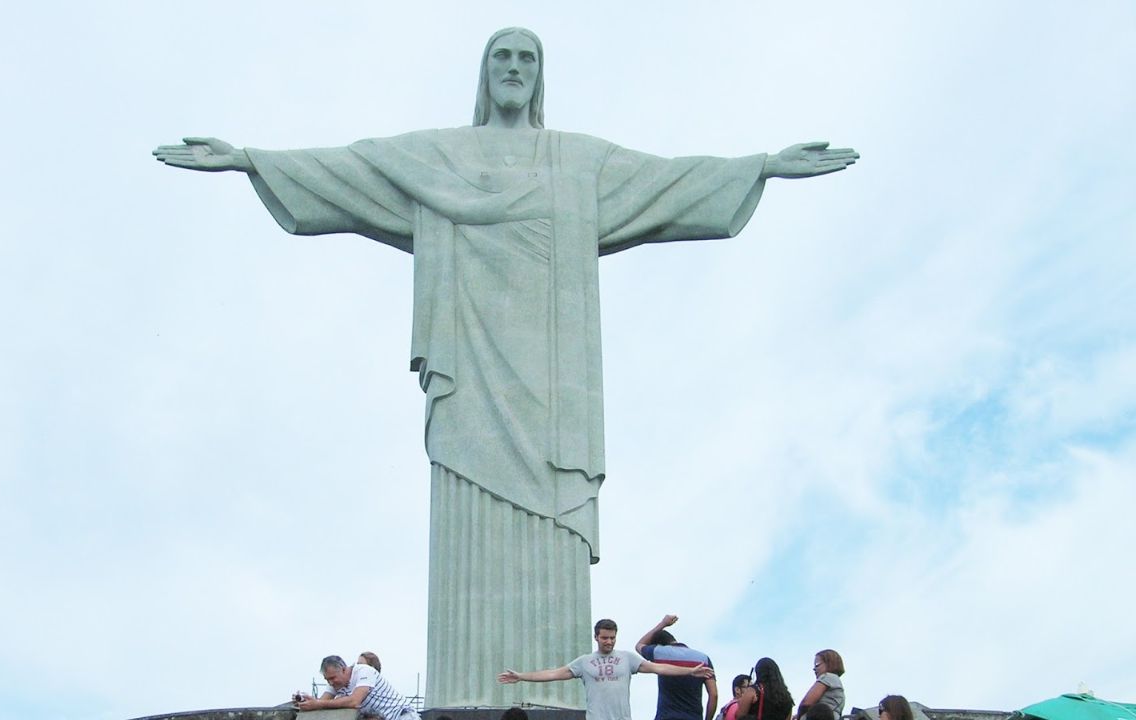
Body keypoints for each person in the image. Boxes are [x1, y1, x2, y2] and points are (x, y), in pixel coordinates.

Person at [153, 27, 857, 709]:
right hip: (469, 377)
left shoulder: (578, 162)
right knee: (464, 503)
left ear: (540, 74)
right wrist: (249, 158)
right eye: (502, 57)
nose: (514, 67)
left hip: (554, 390)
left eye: (527, 57)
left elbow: (668, 182)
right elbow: (352, 167)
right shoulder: (440, 156)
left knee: (551, 513)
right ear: (485, 74)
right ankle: (466, 692)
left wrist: (759, 165)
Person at [497, 618, 714, 720]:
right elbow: (554, 673)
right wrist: (521, 676)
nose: (609, 642)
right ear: (596, 637)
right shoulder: (585, 661)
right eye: (605, 638)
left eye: (612, 638)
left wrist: (689, 672)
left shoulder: (627, 658)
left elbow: (659, 668)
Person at [635, 614, 718, 720]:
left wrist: (663, 624)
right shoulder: (703, 658)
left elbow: (639, 645)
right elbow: (713, 695)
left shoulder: (659, 652)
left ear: (658, 644)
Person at [295, 655, 419, 720]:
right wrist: (306, 701)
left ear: (343, 669)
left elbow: (355, 700)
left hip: (401, 716)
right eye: (327, 679)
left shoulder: (364, 671)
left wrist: (318, 704)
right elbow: (322, 702)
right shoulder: (336, 683)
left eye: (333, 678)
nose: (331, 683)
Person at [796, 650, 845, 720]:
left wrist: (799, 717)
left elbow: (806, 703)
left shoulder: (828, 677)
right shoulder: (837, 682)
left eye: (817, 664)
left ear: (829, 663)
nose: (814, 669)